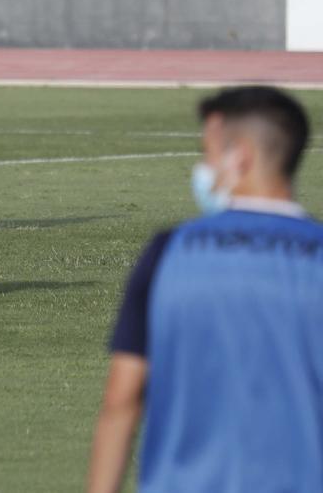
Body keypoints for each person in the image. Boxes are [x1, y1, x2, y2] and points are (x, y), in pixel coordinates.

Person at [87, 86, 323, 493]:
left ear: (241, 157)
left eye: (208, 153)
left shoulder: (168, 252)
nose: (204, 168)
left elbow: (122, 400)